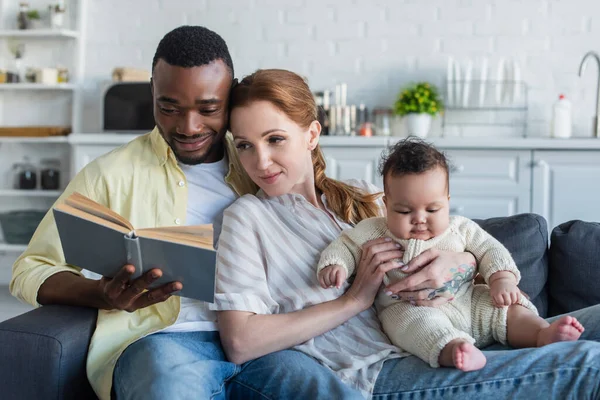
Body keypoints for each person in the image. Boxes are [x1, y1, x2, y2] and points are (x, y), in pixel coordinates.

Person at [10, 26, 376, 400]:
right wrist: (103, 294)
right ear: (152, 90)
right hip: (162, 341)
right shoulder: (110, 174)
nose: (188, 127)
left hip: (264, 342)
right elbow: (30, 268)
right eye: (169, 108)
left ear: (230, 95)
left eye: (208, 109)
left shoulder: (258, 164)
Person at [212, 68, 600, 399]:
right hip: (380, 367)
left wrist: (460, 263)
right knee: (589, 365)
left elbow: (453, 238)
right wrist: (353, 300)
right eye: (244, 145)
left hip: (462, 325)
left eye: (274, 139)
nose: (259, 162)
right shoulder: (246, 218)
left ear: (311, 135)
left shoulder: (361, 193)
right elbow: (241, 341)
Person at [317, 138, 584, 372]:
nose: (419, 220)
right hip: (410, 307)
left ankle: (541, 333)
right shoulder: (374, 230)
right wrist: (335, 264)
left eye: (432, 210)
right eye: (404, 211)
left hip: (469, 301)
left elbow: (491, 249)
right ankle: (455, 349)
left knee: (506, 310)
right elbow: (346, 245)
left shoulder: (461, 227)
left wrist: (502, 280)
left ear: (447, 201)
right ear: (386, 206)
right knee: (413, 325)